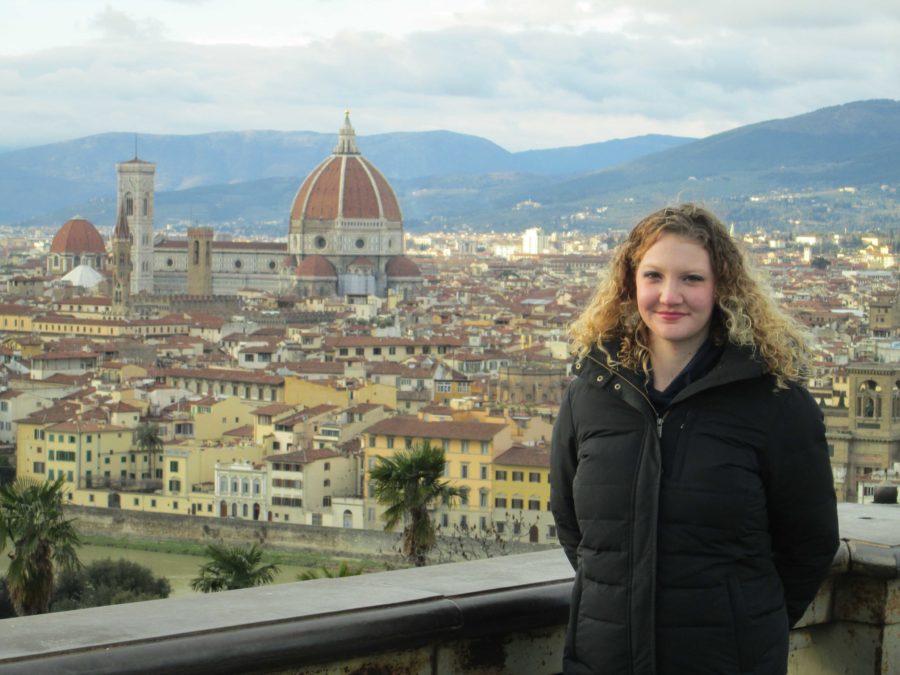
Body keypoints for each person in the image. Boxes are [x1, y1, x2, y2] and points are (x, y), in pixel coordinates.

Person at [550, 204, 839, 675]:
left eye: (691, 279)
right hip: (604, 659)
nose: (669, 296)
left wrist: (748, 623)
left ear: (722, 287)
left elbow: (810, 542)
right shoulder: (590, 393)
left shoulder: (774, 402)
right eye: (654, 276)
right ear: (630, 284)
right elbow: (571, 523)